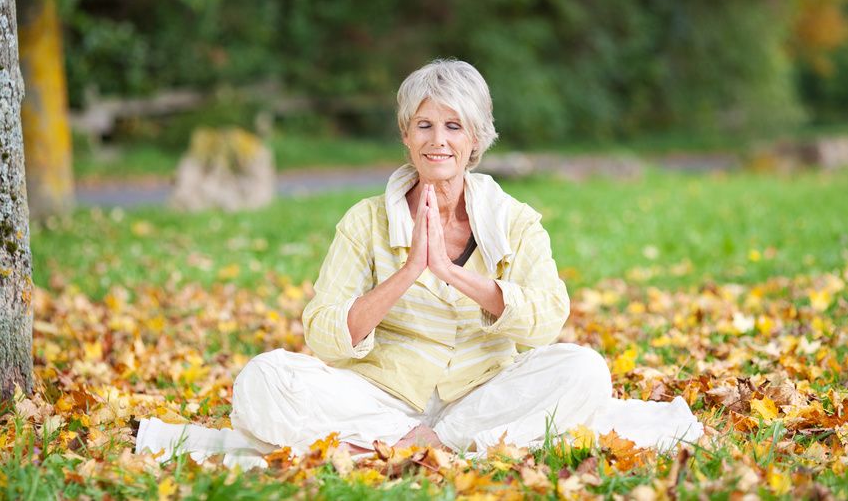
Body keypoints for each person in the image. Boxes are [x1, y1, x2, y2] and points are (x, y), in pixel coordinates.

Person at [134, 59, 701, 465]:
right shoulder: (365, 221)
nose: (438, 141)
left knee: (584, 370)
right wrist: (407, 274)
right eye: (424, 125)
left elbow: (548, 319)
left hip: (484, 392)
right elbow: (325, 335)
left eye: (454, 126)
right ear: (406, 135)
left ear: (476, 138)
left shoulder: (515, 219)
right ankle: (425, 442)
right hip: (382, 397)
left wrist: (457, 276)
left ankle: (421, 446)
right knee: (261, 380)